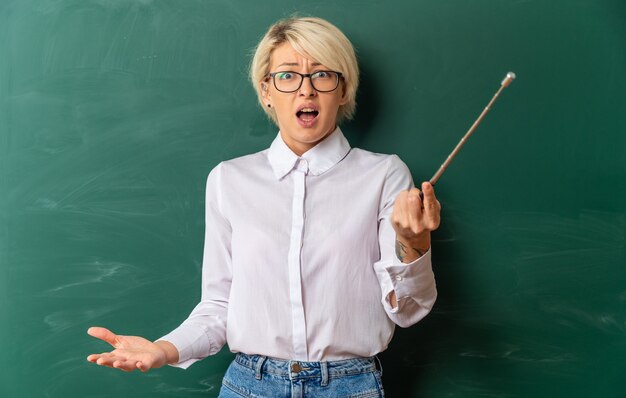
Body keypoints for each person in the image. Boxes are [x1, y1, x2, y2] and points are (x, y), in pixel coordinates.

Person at [87, 16, 441, 397]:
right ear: (266, 90)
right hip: (250, 385)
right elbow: (218, 305)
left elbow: (407, 311)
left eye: (323, 75)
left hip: (348, 385)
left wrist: (413, 241)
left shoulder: (384, 174)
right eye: (288, 76)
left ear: (343, 90)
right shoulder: (229, 180)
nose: (306, 91)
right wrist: (163, 349)